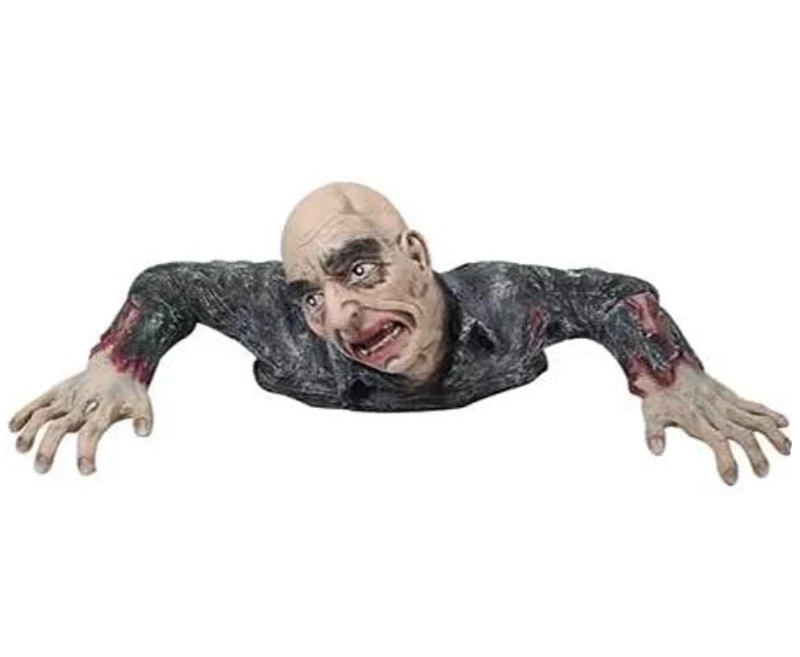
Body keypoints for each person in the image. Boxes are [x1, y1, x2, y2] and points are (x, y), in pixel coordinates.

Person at [9, 182, 791, 483]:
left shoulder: (508, 302)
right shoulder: (285, 329)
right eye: (312, 294)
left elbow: (616, 298)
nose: (339, 315)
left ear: (415, 254)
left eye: (358, 270)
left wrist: (671, 376)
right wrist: (118, 364)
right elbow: (170, 285)